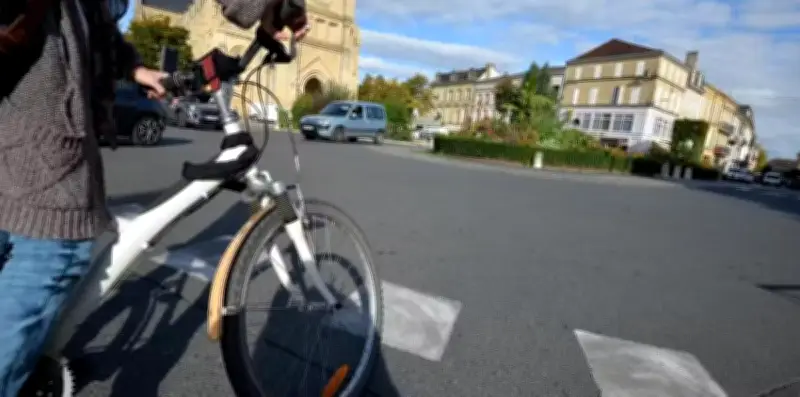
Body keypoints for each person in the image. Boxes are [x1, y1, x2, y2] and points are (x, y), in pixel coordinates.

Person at [0, 0, 308, 395]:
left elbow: (94, 24)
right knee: (49, 250)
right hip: (37, 129)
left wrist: (135, 68)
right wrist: (277, 8)